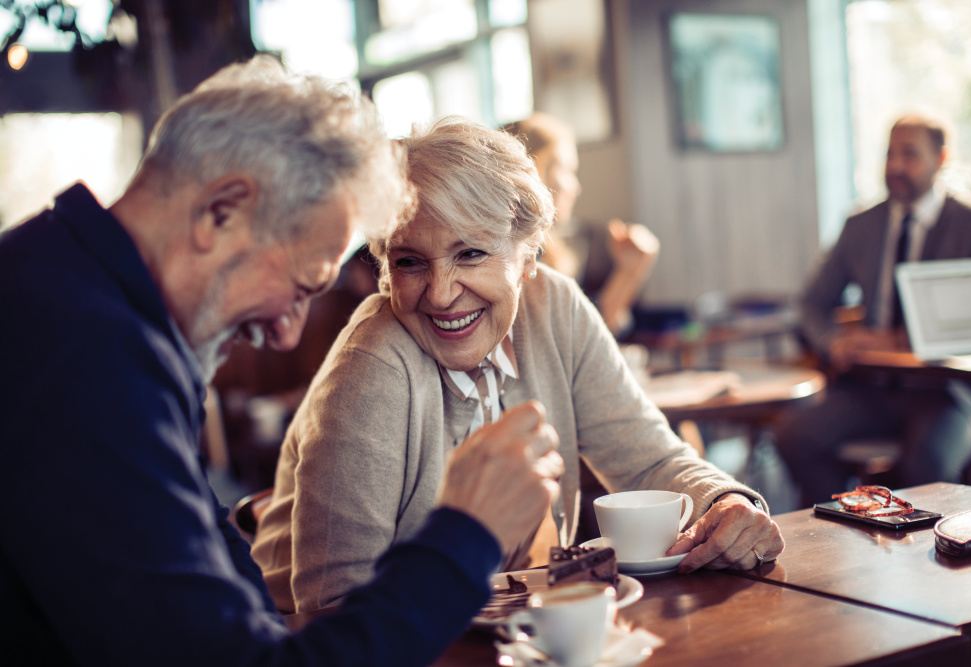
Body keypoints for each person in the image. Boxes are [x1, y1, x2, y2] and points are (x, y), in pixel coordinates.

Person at [0, 57, 565, 667]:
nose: (287, 334)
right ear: (223, 212)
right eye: (301, 286)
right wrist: (466, 533)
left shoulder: (71, 290)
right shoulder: (86, 361)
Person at [251, 117, 784, 613]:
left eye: (470, 254)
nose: (439, 294)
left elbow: (646, 458)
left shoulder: (556, 307)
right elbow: (333, 605)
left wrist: (726, 501)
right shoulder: (371, 367)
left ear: (529, 256)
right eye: (410, 261)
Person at [776, 113, 971, 507]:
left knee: (926, 466)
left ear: (941, 158)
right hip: (873, 386)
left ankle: (931, 559)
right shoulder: (861, 223)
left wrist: (902, 339)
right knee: (797, 436)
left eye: (909, 154)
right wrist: (832, 342)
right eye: (889, 154)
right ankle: (843, 532)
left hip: (948, 391)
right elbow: (811, 303)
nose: (895, 166)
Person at [504, 112, 660, 337]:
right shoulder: (515, 259)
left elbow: (588, 336)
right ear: (534, 173)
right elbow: (573, 342)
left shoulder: (552, 250)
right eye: (567, 171)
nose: (575, 188)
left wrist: (629, 271)